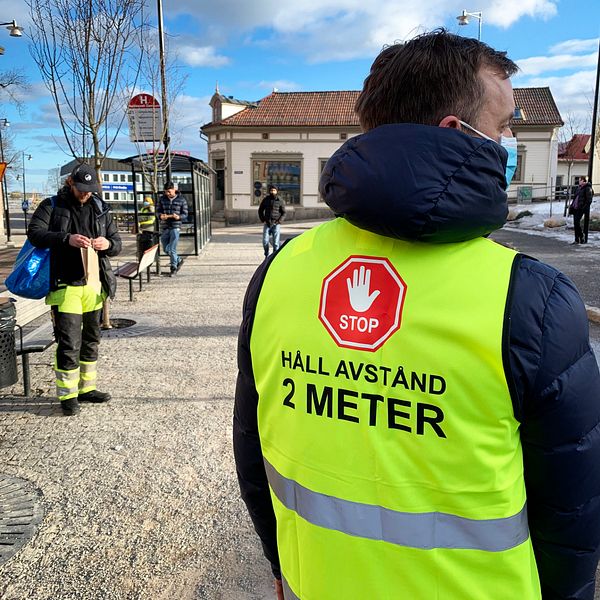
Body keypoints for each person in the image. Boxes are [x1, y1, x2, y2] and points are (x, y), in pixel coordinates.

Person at [234, 30, 600, 600]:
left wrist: (280, 567)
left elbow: (253, 451)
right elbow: (573, 510)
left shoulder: (282, 271)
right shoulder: (531, 297)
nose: (507, 142)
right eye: (503, 129)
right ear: (458, 133)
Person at [27, 163, 122, 416]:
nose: (85, 194)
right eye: (81, 189)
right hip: (65, 286)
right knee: (69, 342)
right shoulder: (52, 205)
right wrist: (65, 238)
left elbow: (117, 244)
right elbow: (34, 233)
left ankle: (86, 389)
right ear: (71, 183)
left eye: (89, 190)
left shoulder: (100, 208)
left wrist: (108, 243)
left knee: (91, 341)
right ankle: (68, 396)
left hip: (94, 286)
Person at [157, 181, 188, 275]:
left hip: (176, 226)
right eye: (166, 191)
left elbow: (185, 214)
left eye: (169, 191)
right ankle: (178, 259)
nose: (167, 193)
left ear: (174, 189)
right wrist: (160, 216)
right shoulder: (162, 199)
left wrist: (178, 217)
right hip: (165, 226)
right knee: (166, 249)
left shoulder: (182, 200)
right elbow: (157, 211)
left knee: (172, 248)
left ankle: (173, 267)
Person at [258, 184, 285, 258]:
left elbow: (284, 212)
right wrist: (263, 219)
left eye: (274, 190)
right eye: (271, 190)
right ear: (269, 191)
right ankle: (266, 255)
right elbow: (260, 210)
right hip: (267, 223)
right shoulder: (266, 199)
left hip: (276, 224)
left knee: (276, 243)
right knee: (265, 241)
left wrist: (279, 221)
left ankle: (274, 257)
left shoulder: (280, 200)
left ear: (276, 191)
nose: (272, 191)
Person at [571, 176, 594, 244]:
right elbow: (575, 197)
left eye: (580, 180)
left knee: (577, 222)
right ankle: (577, 239)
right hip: (575, 207)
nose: (579, 181)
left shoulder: (587, 188)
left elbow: (589, 200)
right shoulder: (578, 188)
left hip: (580, 208)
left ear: (584, 181)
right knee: (575, 223)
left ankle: (581, 236)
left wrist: (584, 207)